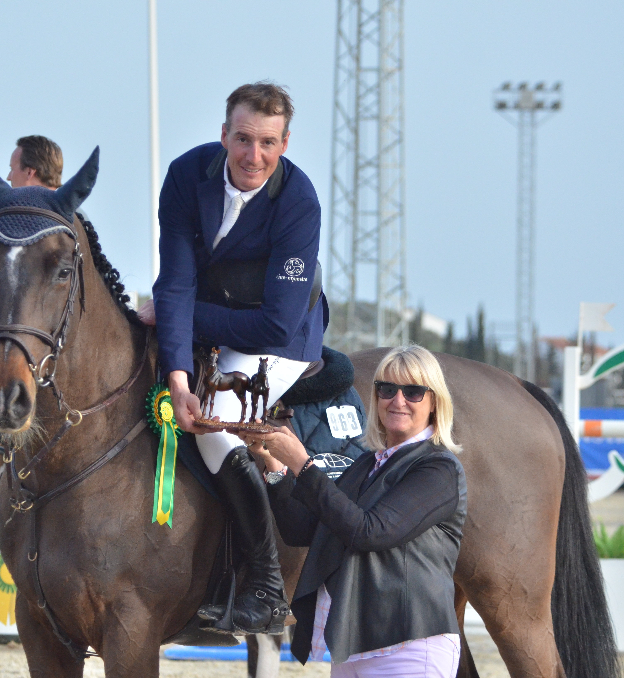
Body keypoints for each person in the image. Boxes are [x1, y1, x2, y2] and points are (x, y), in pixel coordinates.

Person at [142, 82, 326, 634]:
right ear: (223, 134)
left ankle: (267, 588)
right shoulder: (185, 175)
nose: (254, 156)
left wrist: (181, 314)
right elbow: (173, 281)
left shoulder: (299, 201)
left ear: (285, 143)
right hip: (208, 325)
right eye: (243, 139)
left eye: (268, 143)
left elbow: (275, 321)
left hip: (282, 341)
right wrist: (177, 378)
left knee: (216, 426)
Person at [240, 345, 466, 677]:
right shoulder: (366, 464)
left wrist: (302, 463)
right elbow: (303, 530)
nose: (397, 400)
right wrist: (274, 464)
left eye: (413, 391)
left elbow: (368, 532)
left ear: (434, 402)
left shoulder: (438, 468)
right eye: (387, 389)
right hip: (353, 645)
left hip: (412, 646)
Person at [0, 135, 64, 344]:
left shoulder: (61, 226)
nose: (8, 176)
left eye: (12, 168)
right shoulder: (72, 219)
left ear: (29, 172)